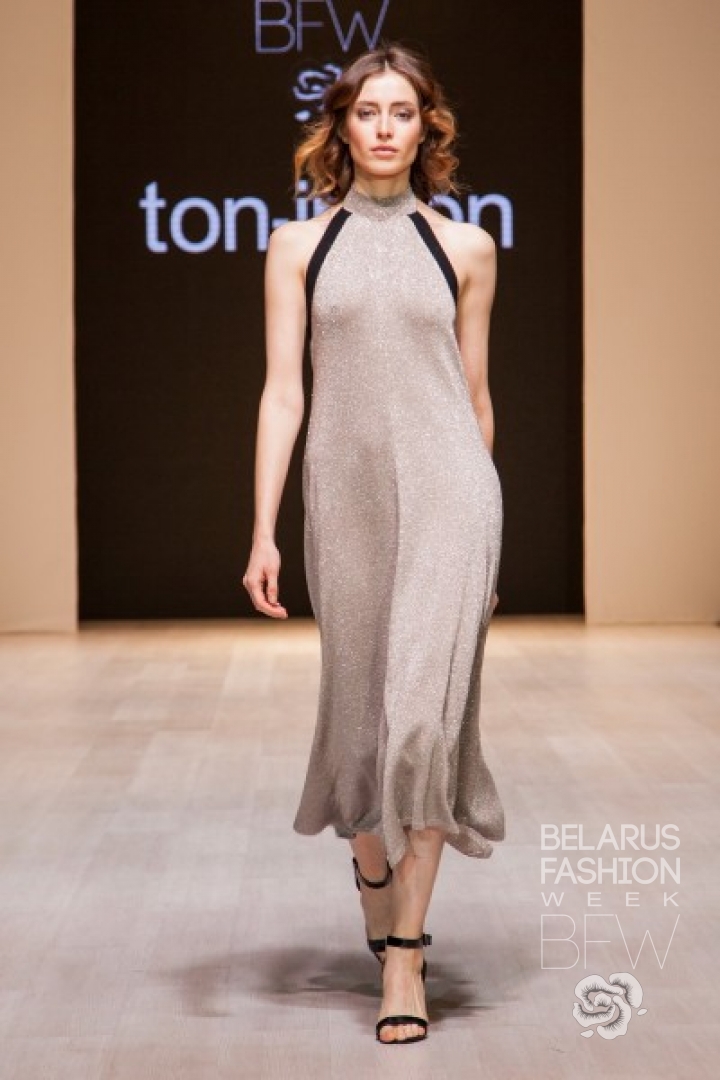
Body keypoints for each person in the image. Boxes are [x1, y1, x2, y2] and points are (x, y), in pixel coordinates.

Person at [243, 41, 504, 1046]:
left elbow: (474, 397)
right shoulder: (297, 247)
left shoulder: (467, 246)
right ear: (343, 128)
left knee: (425, 725)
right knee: (360, 724)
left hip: (452, 494)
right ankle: (371, 875)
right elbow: (283, 393)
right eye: (368, 112)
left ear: (426, 127)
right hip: (345, 498)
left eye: (403, 111)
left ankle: (405, 957)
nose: (386, 128)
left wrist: (484, 539)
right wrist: (263, 529)